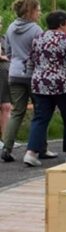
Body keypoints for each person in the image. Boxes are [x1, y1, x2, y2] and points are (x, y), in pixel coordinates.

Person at [22, 11, 66, 166]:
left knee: (40, 118)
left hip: (40, 84)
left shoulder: (38, 38)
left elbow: (31, 61)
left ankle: (31, 153)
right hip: (63, 85)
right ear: (61, 23)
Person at [1, 0, 57, 162]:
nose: (40, 13)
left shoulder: (11, 27)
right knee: (41, 112)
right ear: (29, 11)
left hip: (14, 73)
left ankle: (6, 148)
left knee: (17, 112)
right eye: (38, 10)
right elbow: (41, 53)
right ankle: (41, 148)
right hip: (33, 75)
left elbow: (8, 52)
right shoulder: (36, 29)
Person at [0, 17, 11, 150]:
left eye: (0, 23)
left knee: (6, 106)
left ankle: (6, 139)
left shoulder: (4, 38)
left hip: (6, 75)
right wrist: (6, 57)